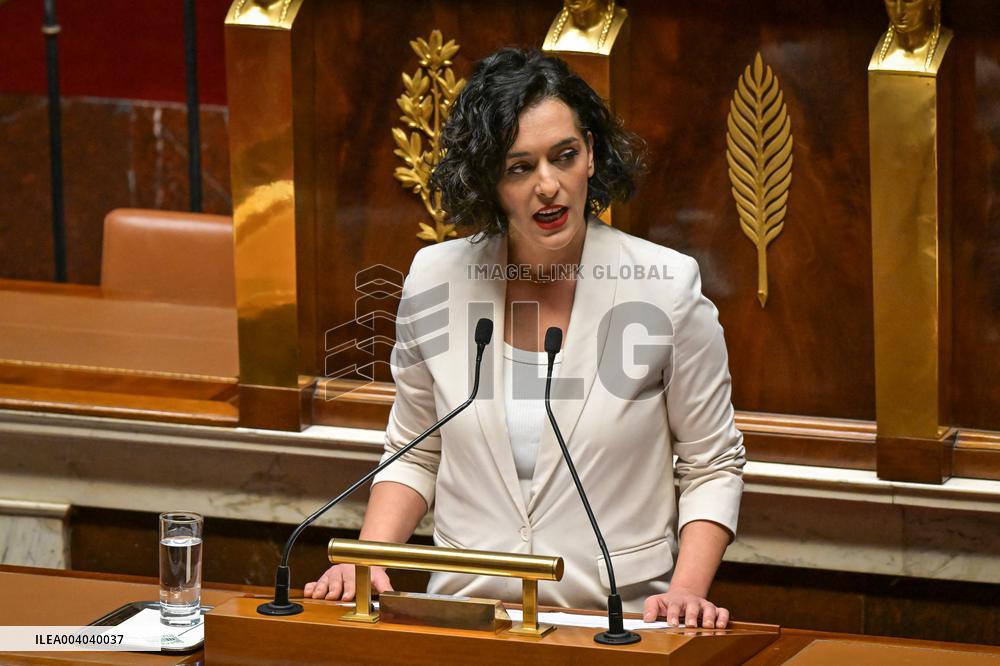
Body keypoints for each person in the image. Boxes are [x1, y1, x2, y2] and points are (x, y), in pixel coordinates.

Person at [305, 48, 745, 629]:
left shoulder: (664, 286)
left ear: (590, 154)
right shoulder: (436, 279)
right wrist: (366, 560)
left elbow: (711, 462)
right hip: (467, 617)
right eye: (519, 167)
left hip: (615, 622)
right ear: (488, 180)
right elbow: (415, 448)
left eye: (564, 156)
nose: (548, 186)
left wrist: (687, 592)